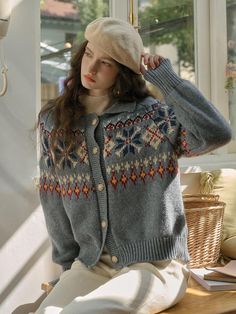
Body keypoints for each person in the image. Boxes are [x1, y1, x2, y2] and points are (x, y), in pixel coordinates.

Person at [35, 17, 232, 314]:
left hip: (156, 266)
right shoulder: (55, 122)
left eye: (106, 62)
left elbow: (216, 133)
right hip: (92, 265)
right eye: (89, 54)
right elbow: (53, 200)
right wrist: (67, 268)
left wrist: (168, 80)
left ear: (122, 72)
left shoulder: (153, 117)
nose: (91, 68)